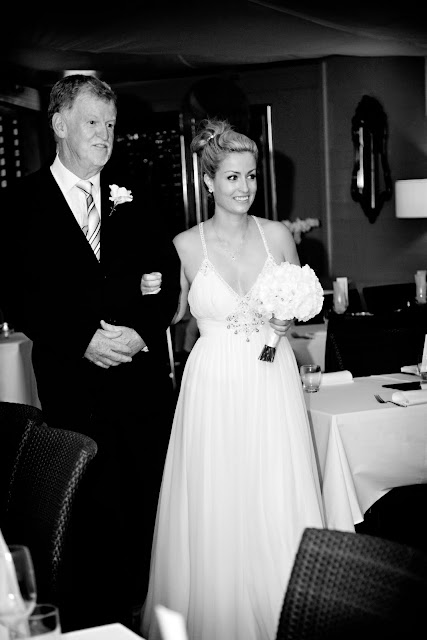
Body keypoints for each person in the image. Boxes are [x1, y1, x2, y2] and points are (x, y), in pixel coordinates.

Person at [0, 74, 181, 630]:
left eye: (111, 124)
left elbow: (167, 277)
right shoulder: (19, 203)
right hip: (72, 386)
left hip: (141, 385)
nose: (105, 134)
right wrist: (82, 338)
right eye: (93, 122)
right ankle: (95, 622)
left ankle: (147, 619)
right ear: (59, 125)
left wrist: (142, 332)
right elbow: (15, 293)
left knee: (148, 508)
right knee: (84, 513)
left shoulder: (137, 192)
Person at [140, 119, 325, 640]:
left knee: (274, 489)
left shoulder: (278, 235)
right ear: (208, 182)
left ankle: (287, 608)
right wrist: (146, 289)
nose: (244, 188)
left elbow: (302, 297)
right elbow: (172, 315)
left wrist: (290, 316)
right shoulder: (184, 245)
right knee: (218, 496)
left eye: (251, 176)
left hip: (271, 380)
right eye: (232, 177)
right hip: (213, 385)